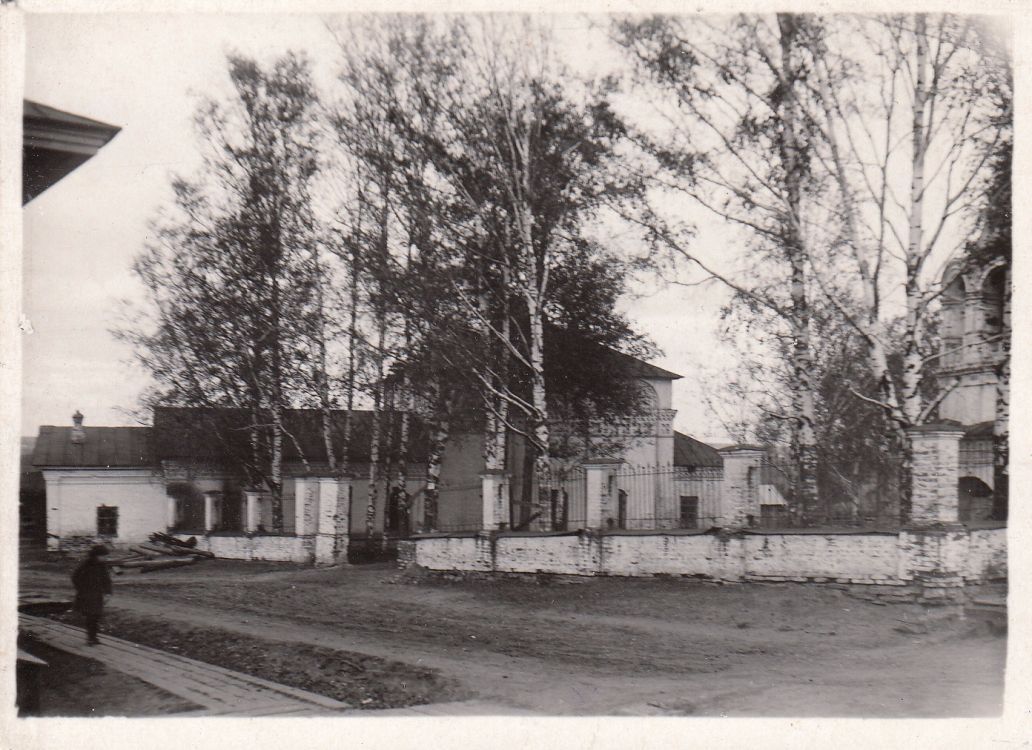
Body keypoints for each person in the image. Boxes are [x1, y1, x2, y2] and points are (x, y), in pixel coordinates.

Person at [71, 544, 112, 646]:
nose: (104, 558)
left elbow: (107, 580)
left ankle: (93, 637)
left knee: (96, 615)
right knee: (91, 616)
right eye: (102, 556)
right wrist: (81, 589)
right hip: (87, 595)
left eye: (105, 556)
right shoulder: (86, 564)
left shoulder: (102, 566)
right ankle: (90, 638)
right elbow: (75, 577)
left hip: (97, 595)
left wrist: (108, 592)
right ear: (95, 555)